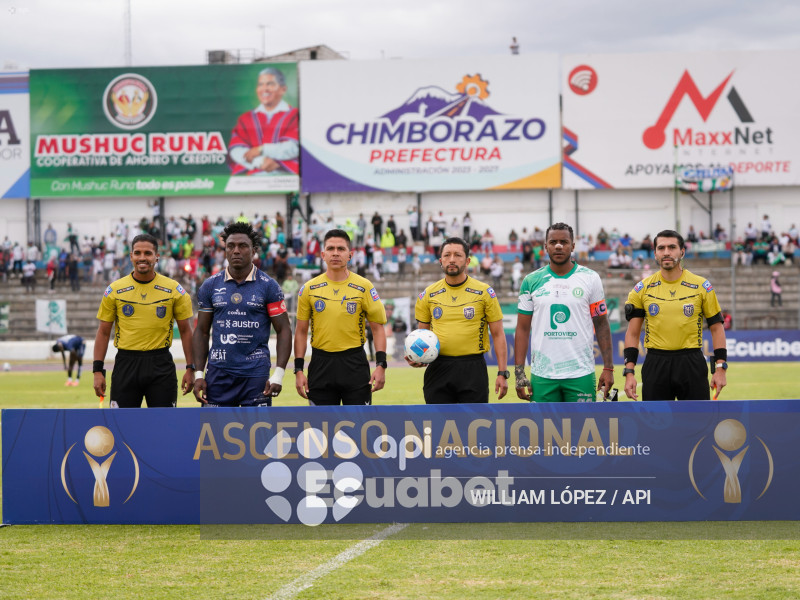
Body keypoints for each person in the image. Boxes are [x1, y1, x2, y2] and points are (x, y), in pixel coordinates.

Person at [193, 222, 291, 407]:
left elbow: (284, 329)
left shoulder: (269, 286)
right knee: (213, 434)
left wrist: (278, 374)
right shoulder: (210, 285)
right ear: (225, 250)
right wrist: (199, 373)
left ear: (253, 251)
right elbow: (202, 331)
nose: (236, 251)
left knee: (258, 434)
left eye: (242, 246)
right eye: (231, 246)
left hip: (255, 375)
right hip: (218, 374)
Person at [514, 223, 614, 403]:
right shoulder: (531, 281)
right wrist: (519, 374)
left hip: (580, 373)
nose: (558, 246)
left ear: (573, 246)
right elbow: (522, 328)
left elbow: (601, 323)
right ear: (545, 246)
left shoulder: (590, 278)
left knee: (583, 429)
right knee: (543, 430)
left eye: (564, 242)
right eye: (553, 242)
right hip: (542, 375)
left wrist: (608, 368)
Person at [623, 229, 728, 401]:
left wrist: (720, 368)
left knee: (697, 424)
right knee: (656, 425)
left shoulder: (702, 286)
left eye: (672, 247)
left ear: (682, 251)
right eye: (661, 248)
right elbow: (633, 333)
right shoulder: (642, 289)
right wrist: (629, 372)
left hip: (691, 362)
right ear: (655, 253)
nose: (666, 252)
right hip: (655, 363)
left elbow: (717, 328)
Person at [93, 234, 196, 408]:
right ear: (131, 256)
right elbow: (103, 332)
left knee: (163, 427)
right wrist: (97, 371)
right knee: (122, 427)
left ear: (157, 257)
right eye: (137, 253)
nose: (142, 258)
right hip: (126, 364)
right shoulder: (114, 290)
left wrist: (191, 368)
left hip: (161, 365)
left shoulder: (174, 290)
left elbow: (186, 331)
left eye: (148, 253)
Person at [294, 229, 388, 405]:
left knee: (360, 428)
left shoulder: (364, 286)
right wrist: (298, 369)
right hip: (320, 364)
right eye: (330, 248)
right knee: (320, 430)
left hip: (354, 364)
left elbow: (377, 328)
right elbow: (300, 331)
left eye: (341, 249)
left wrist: (381, 364)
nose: (335, 253)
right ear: (323, 254)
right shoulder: (309, 289)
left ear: (350, 254)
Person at [409, 237, 509, 403]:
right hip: (438, 368)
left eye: (458, 255)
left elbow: (498, 334)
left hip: (473, 368)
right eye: (447, 255)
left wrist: (502, 372)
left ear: (468, 260)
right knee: (439, 426)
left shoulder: (484, 292)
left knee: (474, 427)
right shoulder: (428, 294)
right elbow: (423, 336)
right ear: (441, 261)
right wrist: (418, 357)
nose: (452, 259)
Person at [228, 67, 299, 175]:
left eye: (270, 84)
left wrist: (262, 150)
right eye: (261, 84)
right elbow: (236, 150)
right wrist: (260, 161)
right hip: (253, 178)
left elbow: (294, 148)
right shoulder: (246, 118)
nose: (264, 89)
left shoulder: (294, 115)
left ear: (283, 89)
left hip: (287, 177)